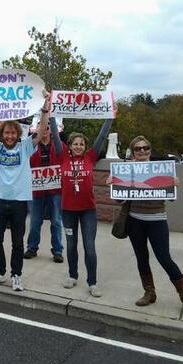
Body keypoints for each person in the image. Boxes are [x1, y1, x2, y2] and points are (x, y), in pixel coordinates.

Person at [0, 89, 51, 292]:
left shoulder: (26, 147)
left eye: (12, 133)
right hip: (0, 201)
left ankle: (16, 275)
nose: (9, 136)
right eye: (6, 133)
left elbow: (43, 128)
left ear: (18, 134)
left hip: (19, 202)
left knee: (18, 243)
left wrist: (45, 105)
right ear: (2, 134)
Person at [115, 136, 183, 313]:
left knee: (164, 258)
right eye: (138, 149)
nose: (142, 151)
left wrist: (174, 185)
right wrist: (114, 184)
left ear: (150, 150)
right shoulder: (126, 171)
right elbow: (119, 200)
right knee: (141, 258)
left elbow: (169, 197)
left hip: (157, 220)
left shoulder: (161, 170)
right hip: (135, 220)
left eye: (146, 148)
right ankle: (149, 293)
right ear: (133, 153)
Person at [54, 117, 113, 297]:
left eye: (82, 144)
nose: (79, 146)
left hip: (88, 210)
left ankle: (92, 282)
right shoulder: (62, 156)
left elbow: (102, 137)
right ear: (69, 146)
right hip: (68, 211)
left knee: (89, 246)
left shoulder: (90, 157)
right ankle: (72, 275)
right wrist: (49, 115)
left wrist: (110, 116)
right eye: (75, 144)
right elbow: (56, 136)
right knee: (71, 245)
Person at [24, 118, 65, 263]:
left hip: (55, 192)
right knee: (35, 221)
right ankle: (32, 248)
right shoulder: (31, 146)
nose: (46, 129)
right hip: (36, 192)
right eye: (42, 126)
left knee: (56, 221)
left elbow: (66, 163)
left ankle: (58, 251)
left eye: (48, 126)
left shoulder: (60, 146)